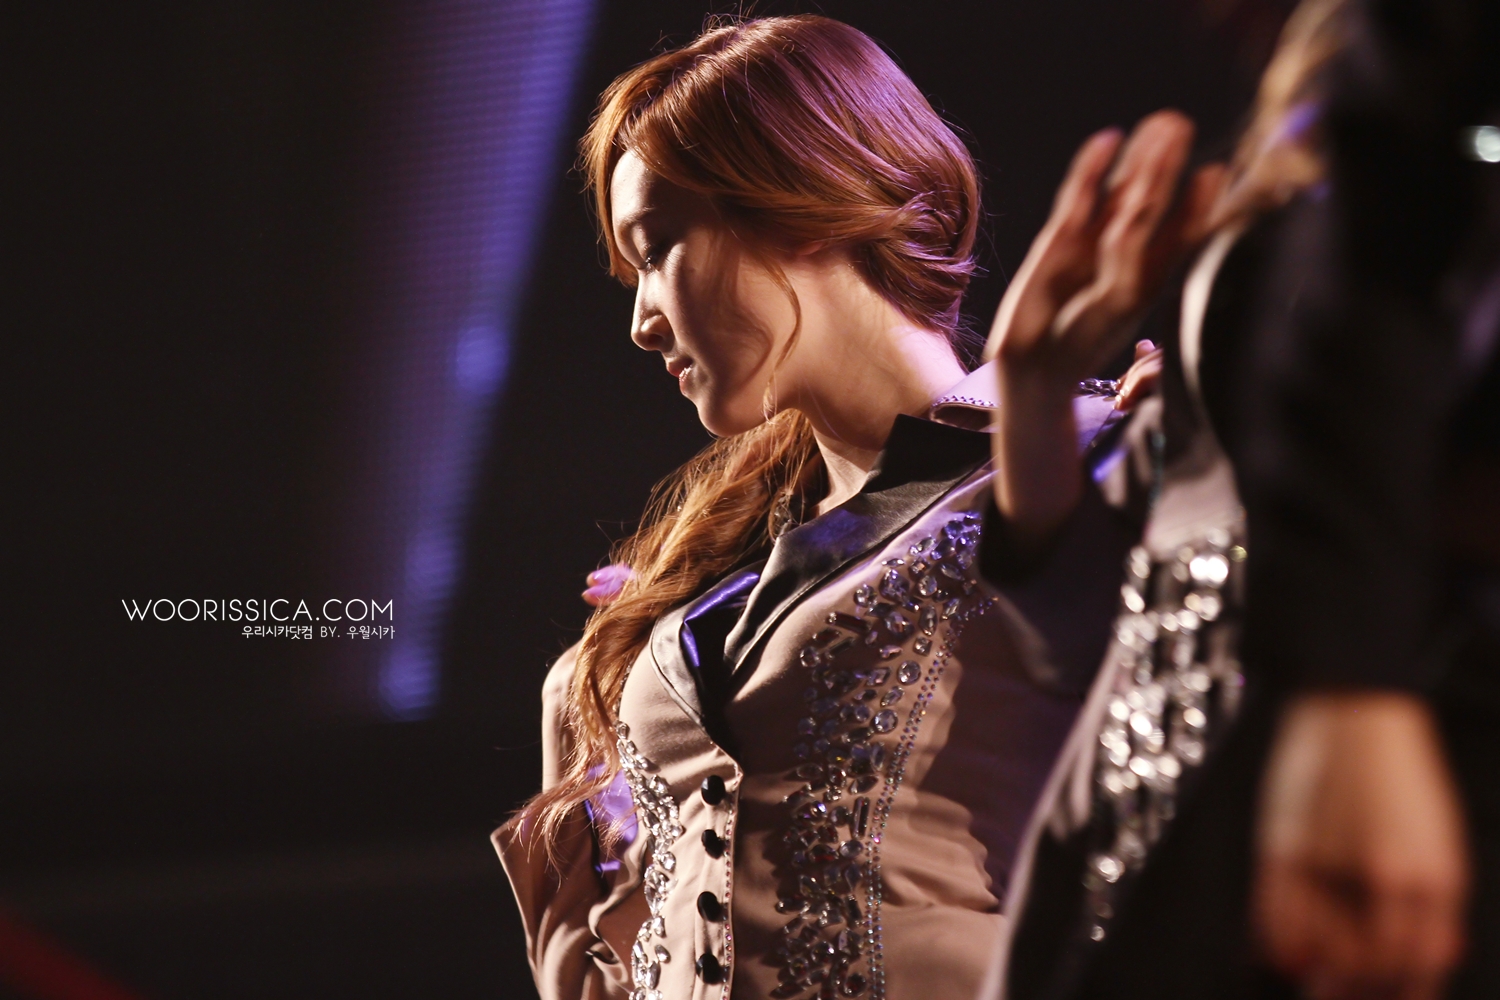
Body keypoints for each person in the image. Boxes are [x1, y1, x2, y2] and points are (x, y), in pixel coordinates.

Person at [492, 15, 1156, 1000]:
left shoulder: (1091, 454)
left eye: (658, 249)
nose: (640, 323)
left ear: (798, 205)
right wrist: (584, 712)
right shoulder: (707, 585)